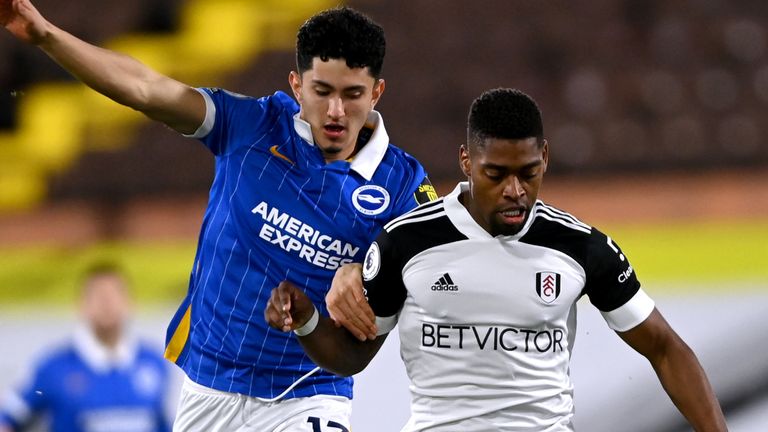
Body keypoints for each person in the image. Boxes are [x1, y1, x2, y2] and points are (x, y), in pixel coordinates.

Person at [1, 1, 436, 430]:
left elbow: (441, 264)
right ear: (297, 86)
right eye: (322, 91)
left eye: (352, 94)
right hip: (211, 388)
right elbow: (146, 89)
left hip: (309, 394)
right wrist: (44, 34)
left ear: (376, 92)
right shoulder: (251, 126)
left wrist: (370, 268)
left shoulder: (401, 184)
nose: (336, 111)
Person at [265, 88, 729, 431]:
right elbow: (353, 355)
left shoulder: (581, 248)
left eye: (529, 173)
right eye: (496, 174)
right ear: (467, 161)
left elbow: (666, 348)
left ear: (545, 158)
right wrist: (306, 318)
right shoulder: (406, 242)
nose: (515, 190)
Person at [0, 262, 173, 432]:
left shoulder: (154, 362)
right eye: (99, 296)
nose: (107, 304)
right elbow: (8, 418)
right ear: (81, 305)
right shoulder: (53, 367)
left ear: (131, 302)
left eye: (114, 295)